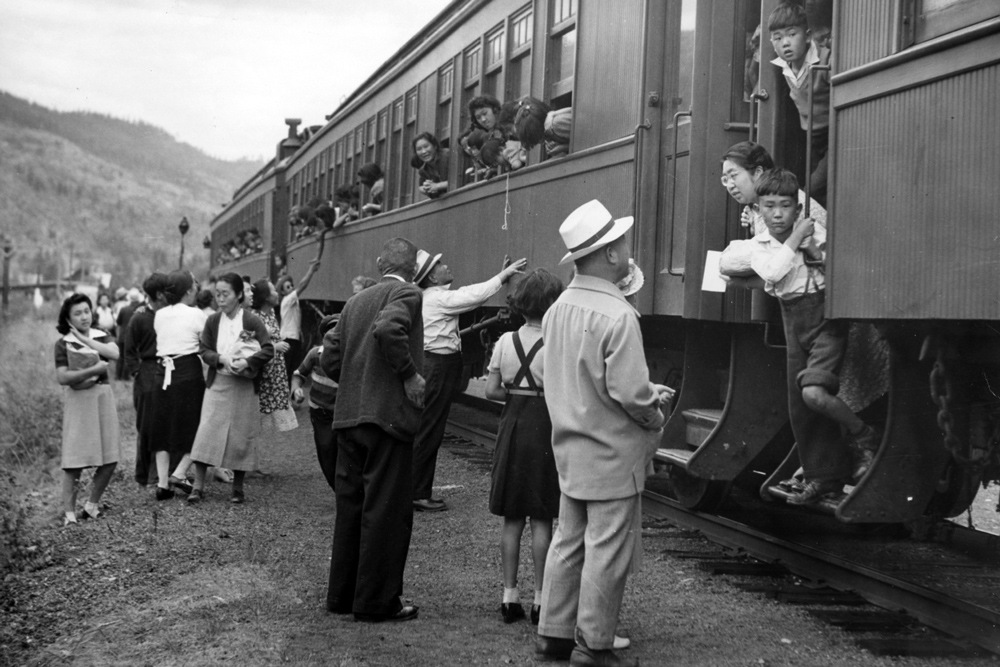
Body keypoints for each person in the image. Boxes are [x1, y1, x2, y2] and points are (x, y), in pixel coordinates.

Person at [535, 200, 673, 667]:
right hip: (613, 453)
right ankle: (593, 645)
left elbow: (579, 376)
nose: (628, 251)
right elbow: (631, 395)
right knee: (607, 549)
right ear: (611, 254)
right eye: (624, 244)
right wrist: (655, 412)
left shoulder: (558, 310)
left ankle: (552, 634)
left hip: (570, 447)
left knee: (568, 541)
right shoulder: (617, 315)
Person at [748, 169, 880, 505]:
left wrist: (816, 250)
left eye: (786, 206)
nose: (777, 213)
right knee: (800, 408)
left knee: (814, 395)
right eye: (769, 206)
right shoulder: (759, 245)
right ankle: (824, 480)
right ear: (759, 209)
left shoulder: (813, 232)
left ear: (797, 208)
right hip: (793, 321)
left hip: (825, 320)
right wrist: (796, 241)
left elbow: (840, 266)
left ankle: (864, 436)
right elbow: (773, 272)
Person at [320, 237, 426, 623]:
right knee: (385, 511)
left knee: (351, 508)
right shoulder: (408, 292)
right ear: (413, 266)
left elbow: (330, 356)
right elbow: (388, 330)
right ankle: (377, 602)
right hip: (386, 419)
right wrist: (409, 375)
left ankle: (342, 596)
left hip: (348, 417)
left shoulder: (354, 302)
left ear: (381, 262)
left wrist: (355, 379)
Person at [411, 250, 527, 512]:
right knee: (430, 429)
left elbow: (467, 292)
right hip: (438, 366)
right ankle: (418, 492)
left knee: (429, 427)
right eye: (439, 264)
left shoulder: (431, 297)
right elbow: (473, 295)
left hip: (437, 364)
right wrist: (504, 275)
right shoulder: (438, 299)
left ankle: (416, 488)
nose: (445, 265)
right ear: (431, 276)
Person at [483, 269, 563, 625]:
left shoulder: (504, 341)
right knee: (543, 517)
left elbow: (491, 391)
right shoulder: (558, 343)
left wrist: (517, 396)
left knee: (512, 518)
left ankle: (509, 596)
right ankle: (541, 602)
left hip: (512, 428)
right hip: (545, 429)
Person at [188, 273, 274, 504]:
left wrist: (248, 362)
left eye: (225, 294)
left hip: (244, 386)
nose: (220, 299)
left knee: (241, 435)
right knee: (207, 432)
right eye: (217, 294)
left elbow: (268, 349)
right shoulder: (213, 321)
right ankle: (197, 486)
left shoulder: (252, 321)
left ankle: (237, 488)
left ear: (238, 294)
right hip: (219, 384)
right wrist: (221, 360)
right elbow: (204, 350)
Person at [54, 293, 122, 526]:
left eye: (86, 311)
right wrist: (92, 371)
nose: (84, 316)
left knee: (110, 456)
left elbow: (114, 353)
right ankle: (69, 515)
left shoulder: (101, 335)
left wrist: (86, 340)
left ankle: (91, 505)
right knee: (75, 460)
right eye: (78, 313)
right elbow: (63, 377)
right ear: (68, 318)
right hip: (78, 400)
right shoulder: (63, 343)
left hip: (102, 396)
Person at [717, 141, 825, 280]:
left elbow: (787, 270)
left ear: (758, 173)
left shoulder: (789, 202)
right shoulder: (756, 207)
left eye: (734, 176)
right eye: (725, 179)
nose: (730, 185)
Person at [150, 270, 207, 500]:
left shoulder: (160, 314)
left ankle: (163, 484)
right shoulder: (196, 314)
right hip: (187, 372)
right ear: (187, 291)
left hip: (162, 372)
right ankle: (181, 471)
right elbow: (207, 343)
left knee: (162, 428)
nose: (196, 290)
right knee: (200, 425)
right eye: (194, 287)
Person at [768, 2, 830, 207]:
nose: (785, 43)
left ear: (808, 35)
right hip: (811, 138)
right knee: (811, 189)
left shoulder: (826, 59)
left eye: (791, 34)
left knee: (814, 188)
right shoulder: (783, 66)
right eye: (778, 38)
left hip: (834, 134)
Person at [123, 272, 169, 488]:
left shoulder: (170, 315)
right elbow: (129, 351)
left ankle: (164, 474)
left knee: (166, 424)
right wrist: (137, 372)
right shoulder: (139, 317)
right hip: (147, 374)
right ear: (159, 294)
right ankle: (145, 476)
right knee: (147, 426)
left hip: (169, 370)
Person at [291, 314, 339, 490]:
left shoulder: (349, 355)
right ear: (324, 335)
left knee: (345, 453)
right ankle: (338, 488)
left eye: (338, 330)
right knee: (325, 451)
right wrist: (296, 389)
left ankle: (347, 492)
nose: (335, 335)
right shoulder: (315, 354)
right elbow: (299, 374)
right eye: (330, 330)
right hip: (320, 412)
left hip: (342, 413)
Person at [251, 279, 298, 436]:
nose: (277, 293)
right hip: (265, 370)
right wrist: (274, 346)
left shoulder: (270, 313)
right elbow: (251, 344)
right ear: (265, 297)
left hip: (275, 368)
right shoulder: (255, 317)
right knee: (265, 406)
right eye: (273, 291)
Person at [276, 259, 320, 386]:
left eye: (291, 285)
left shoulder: (291, 301)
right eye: (288, 287)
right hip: (289, 339)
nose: (292, 288)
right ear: (283, 292)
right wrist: (311, 270)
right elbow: (302, 285)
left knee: (290, 370)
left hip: (293, 339)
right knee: (288, 371)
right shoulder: (288, 299)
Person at [114, 288, 143, 380]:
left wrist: (117, 335)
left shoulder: (123, 309)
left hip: (122, 336)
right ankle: (126, 376)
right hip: (132, 337)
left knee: (121, 357)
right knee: (130, 357)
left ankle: (118, 376)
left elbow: (118, 323)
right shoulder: (139, 310)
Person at [411, 132, 450, 199]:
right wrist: (426, 188)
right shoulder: (423, 170)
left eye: (426, 146)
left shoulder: (448, 155)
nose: (423, 151)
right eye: (419, 149)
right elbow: (421, 187)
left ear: (435, 146)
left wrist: (437, 186)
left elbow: (460, 179)